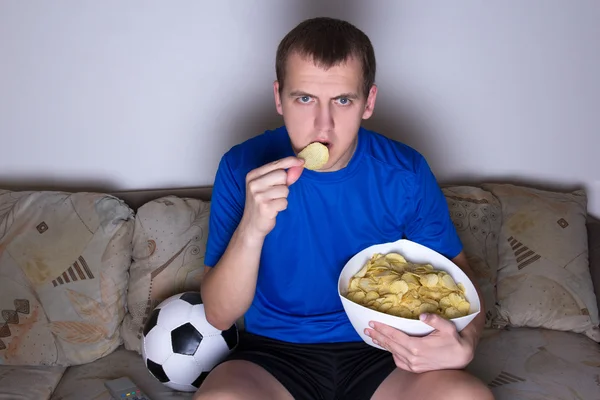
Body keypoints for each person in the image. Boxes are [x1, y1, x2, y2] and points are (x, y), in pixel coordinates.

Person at [194, 17, 494, 400]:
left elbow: (462, 278)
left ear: (368, 102)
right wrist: (251, 228)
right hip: (271, 356)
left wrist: (465, 341)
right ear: (278, 98)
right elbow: (219, 314)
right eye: (304, 99)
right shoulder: (241, 167)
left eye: (342, 100)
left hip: (386, 350)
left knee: (467, 397)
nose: (324, 124)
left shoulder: (405, 172)